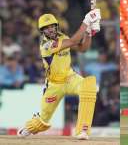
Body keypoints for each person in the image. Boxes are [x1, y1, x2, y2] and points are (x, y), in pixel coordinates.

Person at [17, 9, 101, 140]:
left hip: (70, 78)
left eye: (52, 26)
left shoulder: (63, 37)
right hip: (54, 85)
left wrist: (89, 33)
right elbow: (73, 41)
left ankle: (82, 130)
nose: (50, 30)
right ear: (42, 31)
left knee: (89, 86)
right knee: (43, 120)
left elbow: (83, 49)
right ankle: (30, 127)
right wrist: (86, 21)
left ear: (57, 26)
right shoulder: (46, 45)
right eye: (46, 28)